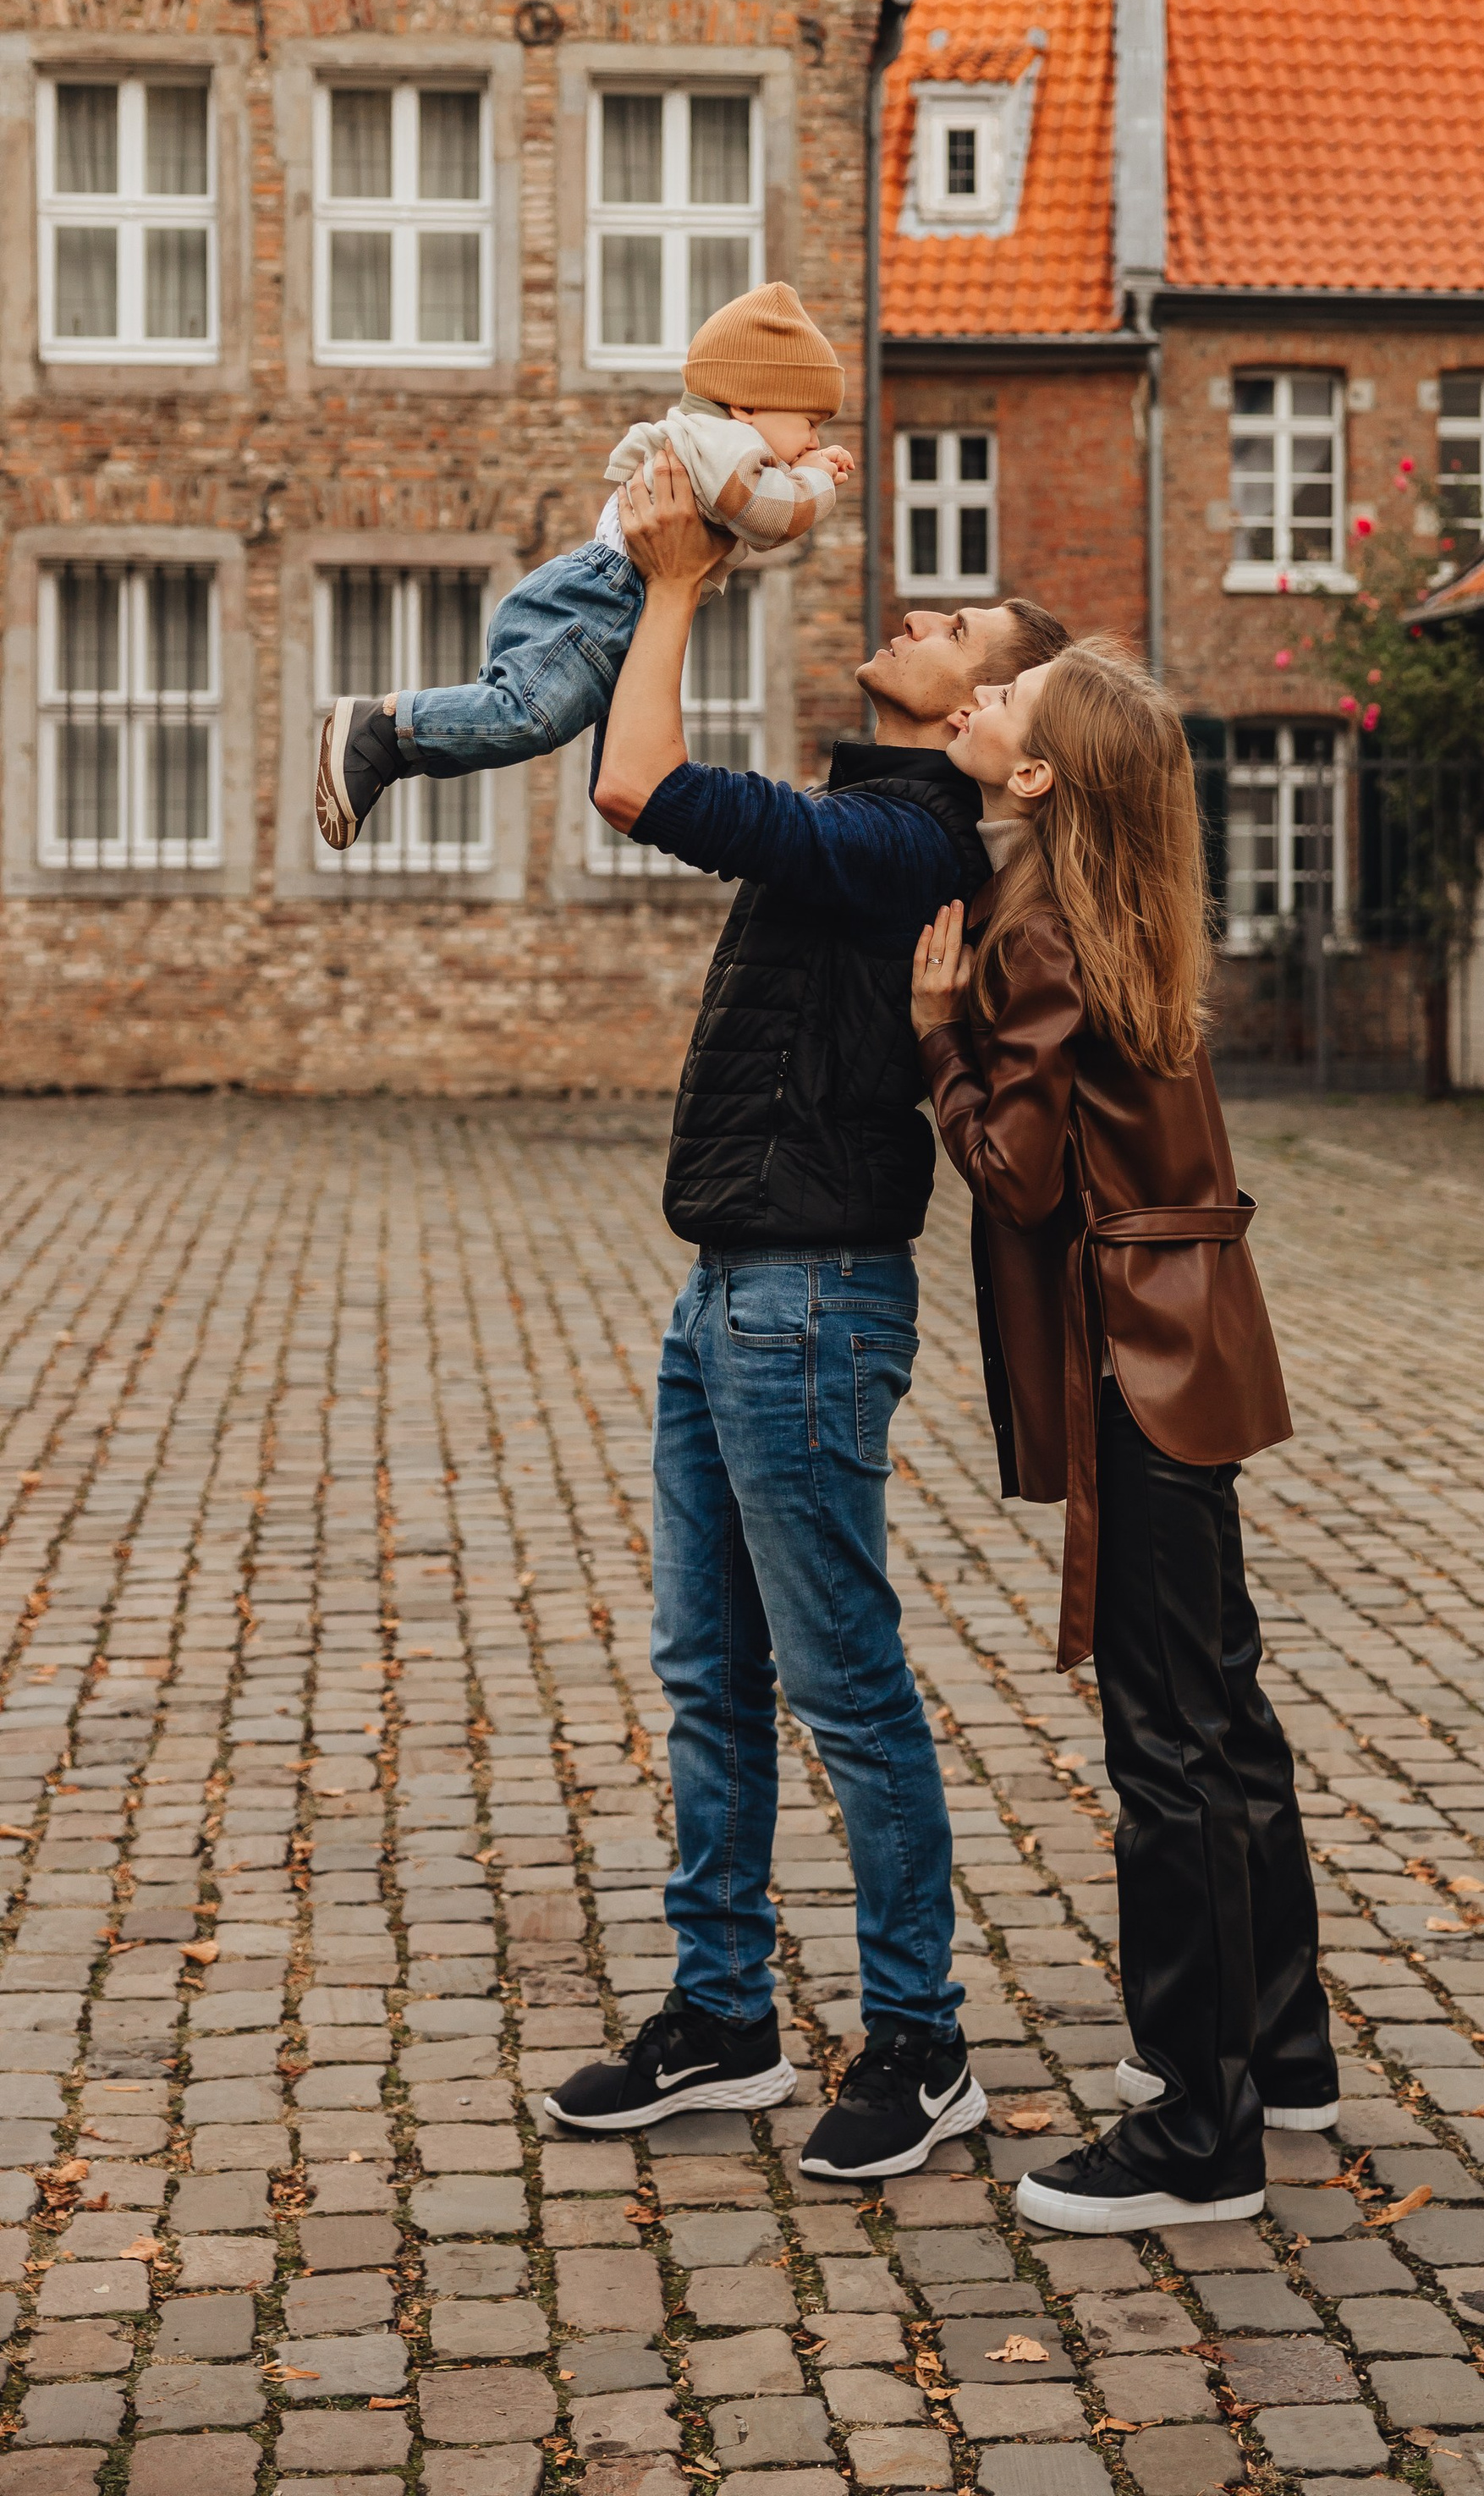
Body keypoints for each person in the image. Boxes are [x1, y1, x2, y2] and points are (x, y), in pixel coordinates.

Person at [537, 440, 1071, 2185]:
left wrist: (680, 578)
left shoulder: (894, 835)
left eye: (956, 624)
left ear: (981, 705)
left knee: (842, 1686)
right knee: (707, 1670)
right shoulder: (868, 817)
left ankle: (918, 2045)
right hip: (730, 1290)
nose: (914, 613)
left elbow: (634, 788)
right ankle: (724, 2020)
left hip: (812, 1301)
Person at [907, 643, 1335, 2234]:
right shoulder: (1136, 911)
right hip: (1198, 1345)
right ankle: (1277, 2056)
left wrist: (936, 1035)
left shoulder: (1029, 938)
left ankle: (1198, 2129)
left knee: (1168, 1747)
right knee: (1224, 1715)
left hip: (1136, 1365)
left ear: (1037, 784)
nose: (994, 695)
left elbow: (1017, 1173)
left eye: (1016, 700)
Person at [313, 282, 855, 850]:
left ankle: (389, 754)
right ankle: (382, 728)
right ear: (745, 403)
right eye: (809, 421)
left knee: (526, 726)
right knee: (528, 719)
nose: (815, 438)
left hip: (598, 599)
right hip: (601, 599)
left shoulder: (724, 445)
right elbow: (768, 515)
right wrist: (815, 479)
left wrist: (801, 469)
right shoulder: (720, 439)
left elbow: (753, 526)